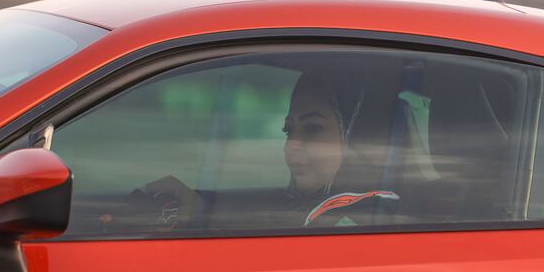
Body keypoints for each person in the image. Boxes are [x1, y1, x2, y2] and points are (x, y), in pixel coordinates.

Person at [136, 68, 400, 231]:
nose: (290, 146)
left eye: (312, 129)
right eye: (288, 130)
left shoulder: (371, 220)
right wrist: (199, 208)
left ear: (357, 136)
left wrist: (203, 216)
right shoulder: (307, 207)